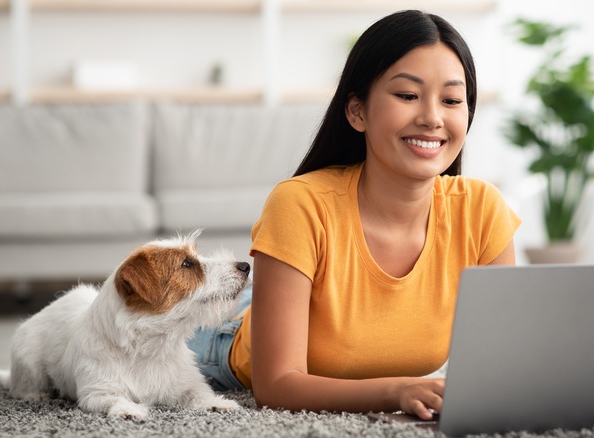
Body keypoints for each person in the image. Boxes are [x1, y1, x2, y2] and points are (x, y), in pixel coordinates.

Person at [188, 9, 521, 420]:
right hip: (223, 333)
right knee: (125, 339)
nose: (433, 117)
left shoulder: (483, 209)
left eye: (452, 100)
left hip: (293, 296)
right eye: (408, 95)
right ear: (357, 112)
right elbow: (275, 386)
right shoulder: (300, 203)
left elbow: (504, 366)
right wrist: (397, 391)